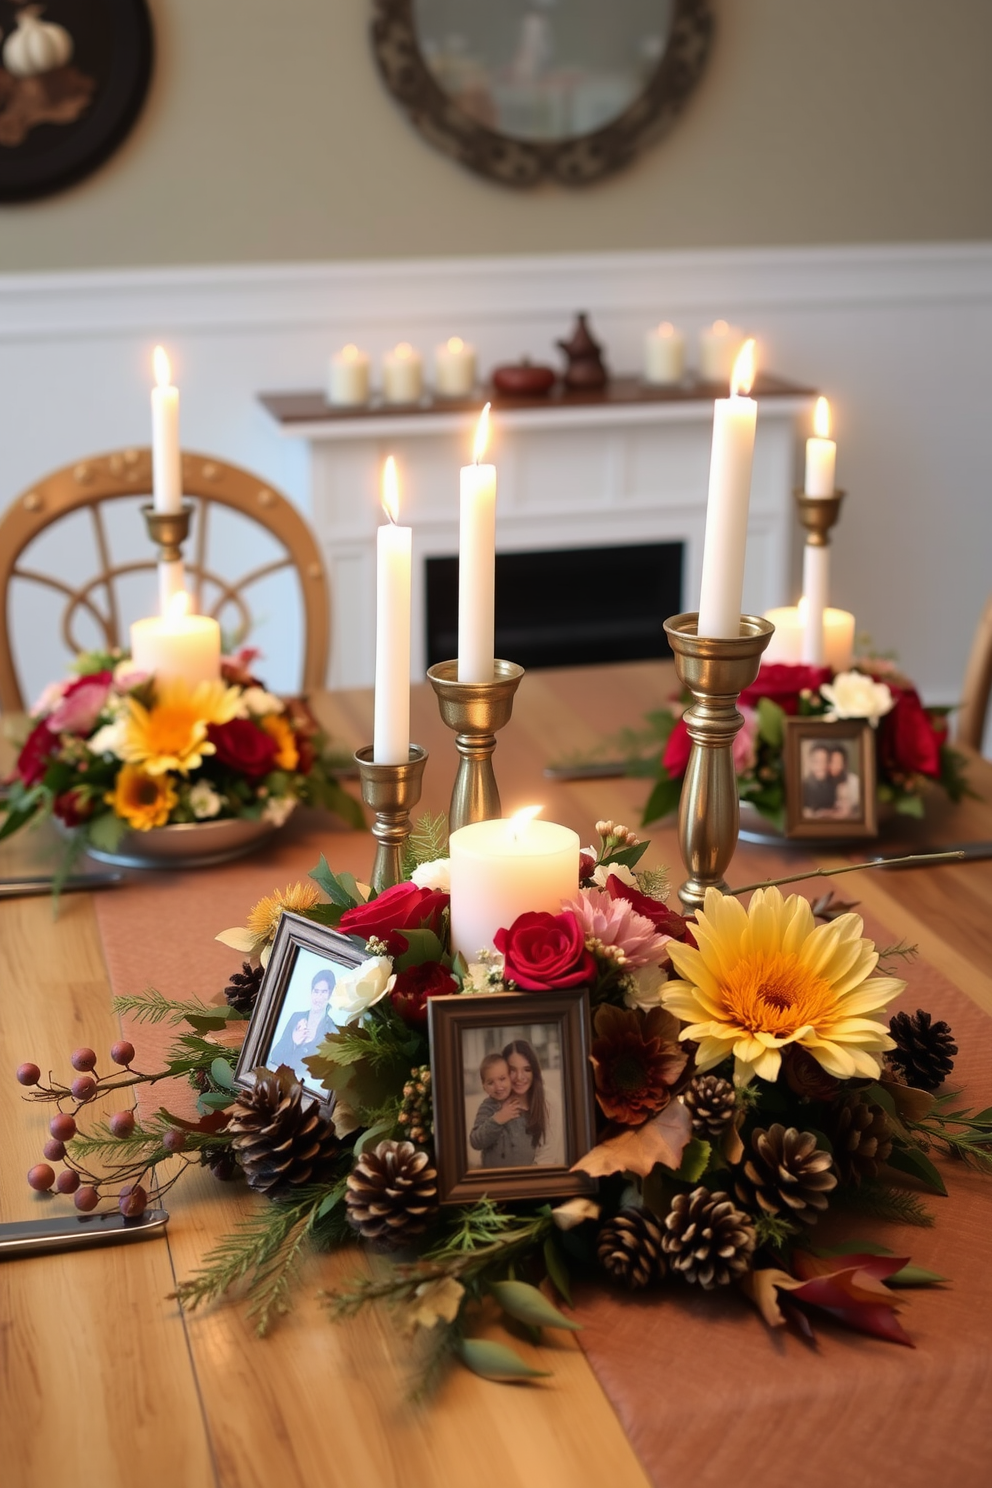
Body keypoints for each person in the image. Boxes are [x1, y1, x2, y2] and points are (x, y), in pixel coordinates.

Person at [268, 966, 338, 1081]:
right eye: (316, 991)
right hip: (279, 1079)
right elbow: (275, 1057)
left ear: (330, 995)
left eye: (324, 992)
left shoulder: (333, 1031)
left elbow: (322, 1075)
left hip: (305, 1090)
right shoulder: (296, 1017)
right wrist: (294, 1042)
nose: (318, 997)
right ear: (311, 992)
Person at [468, 1052, 533, 1168]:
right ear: (484, 1087)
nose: (498, 1087)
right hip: (497, 1177)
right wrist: (498, 1119)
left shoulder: (522, 1101)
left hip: (525, 1173)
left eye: (502, 1079)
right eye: (490, 1082)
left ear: (510, 1078)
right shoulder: (487, 1107)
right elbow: (475, 1141)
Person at [502, 1038, 552, 1164]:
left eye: (527, 1069)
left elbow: (548, 1155)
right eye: (512, 1070)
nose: (519, 1077)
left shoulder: (548, 1101)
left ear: (534, 1071)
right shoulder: (494, 1104)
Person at [802, 743, 837, 816]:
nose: (821, 766)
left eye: (824, 761)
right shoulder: (803, 786)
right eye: (817, 761)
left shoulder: (834, 784)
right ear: (811, 763)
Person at [829, 744, 861, 820]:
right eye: (832, 761)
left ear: (844, 764)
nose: (835, 766)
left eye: (838, 762)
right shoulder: (824, 781)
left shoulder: (854, 782)